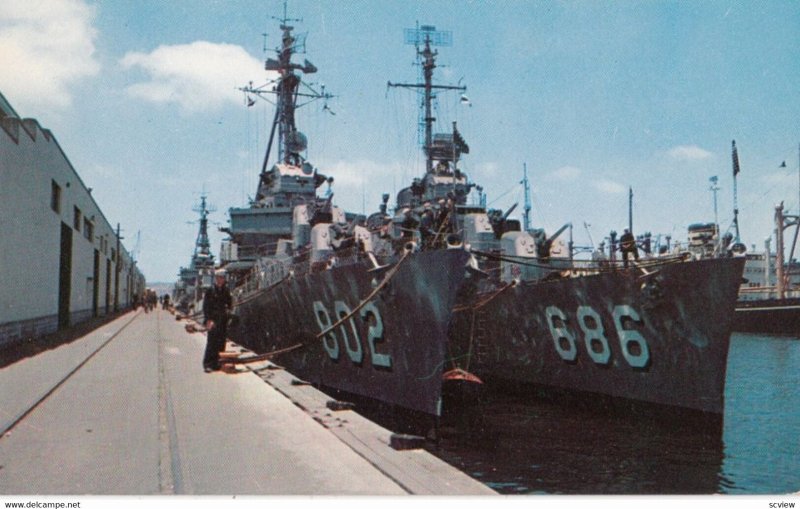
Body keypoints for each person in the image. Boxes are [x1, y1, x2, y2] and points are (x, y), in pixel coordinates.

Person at [202, 269, 232, 372]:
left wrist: (228, 310)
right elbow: (206, 307)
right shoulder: (210, 290)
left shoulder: (225, 290)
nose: (221, 280)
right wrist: (208, 320)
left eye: (223, 278)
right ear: (216, 278)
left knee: (221, 342)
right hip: (213, 320)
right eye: (219, 278)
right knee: (211, 343)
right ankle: (208, 364)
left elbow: (229, 303)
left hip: (222, 320)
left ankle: (217, 363)